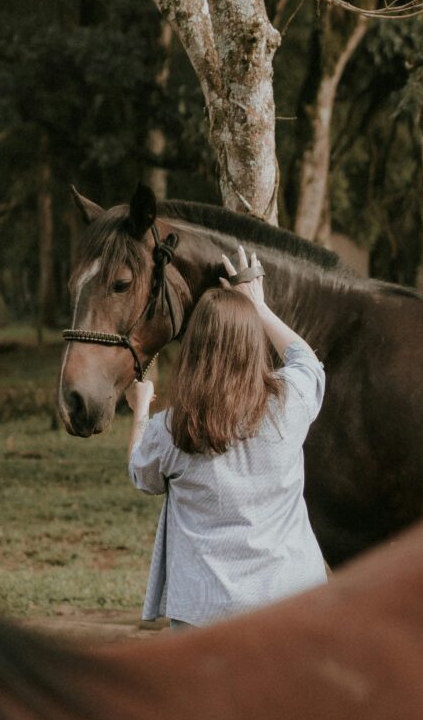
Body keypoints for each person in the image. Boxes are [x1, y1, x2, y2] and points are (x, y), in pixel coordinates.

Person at [126, 245, 327, 628]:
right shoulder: (289, 402)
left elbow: (142, 475)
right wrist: (259, 306)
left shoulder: (170, 429)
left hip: (204, 614)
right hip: (294, 602)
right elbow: (308, 362)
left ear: (194, 349)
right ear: (252, 345)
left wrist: (141, 407)